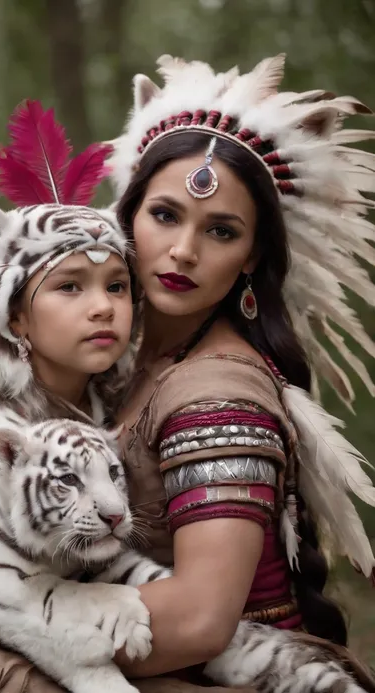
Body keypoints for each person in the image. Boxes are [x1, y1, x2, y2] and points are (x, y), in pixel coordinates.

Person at [0, 101, 232, 693]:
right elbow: (2, 609)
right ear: (15, 319)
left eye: (116, 284)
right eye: (69, 286)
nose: (103, 306)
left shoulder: (125, 402)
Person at [102, 54, 375, 687]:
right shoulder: (124, 365)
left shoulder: (219, 394)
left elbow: (199, 620)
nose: (183, 251)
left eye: (221, 231)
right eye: (165, 215)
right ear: (129, 215)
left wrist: (1, 640)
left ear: (252, 257)